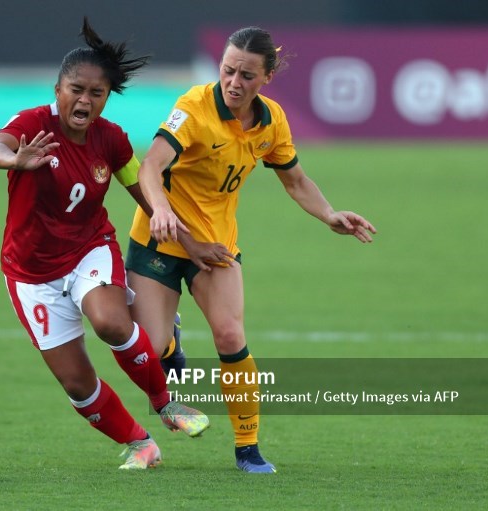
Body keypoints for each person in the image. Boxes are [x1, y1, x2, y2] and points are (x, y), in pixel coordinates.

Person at [125, 26, 377, 473]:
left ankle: (248, 448)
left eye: (246, 75)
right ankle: (170, 344)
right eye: (227, 70)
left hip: (217, 245)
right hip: (159, 239)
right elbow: (151, 166)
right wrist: (161, 210)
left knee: (230, 336)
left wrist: (329, 214)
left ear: (266, 77)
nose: (234, 82)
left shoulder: (272, 121)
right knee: (152, 346)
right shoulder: (194, 108)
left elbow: (295, 180)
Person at [0, 18, 209, 470]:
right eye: (75, 89)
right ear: (58, 89)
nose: (84, 100)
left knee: (110, 324)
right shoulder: (33, 124)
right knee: (77, 382)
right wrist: (15, 160)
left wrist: (191, 243)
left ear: (106, 97)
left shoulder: (111, 139)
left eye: (95, 93)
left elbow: (145, 193)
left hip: (88, 249)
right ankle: (140, 444)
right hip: (30, 273)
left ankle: (166, 403)